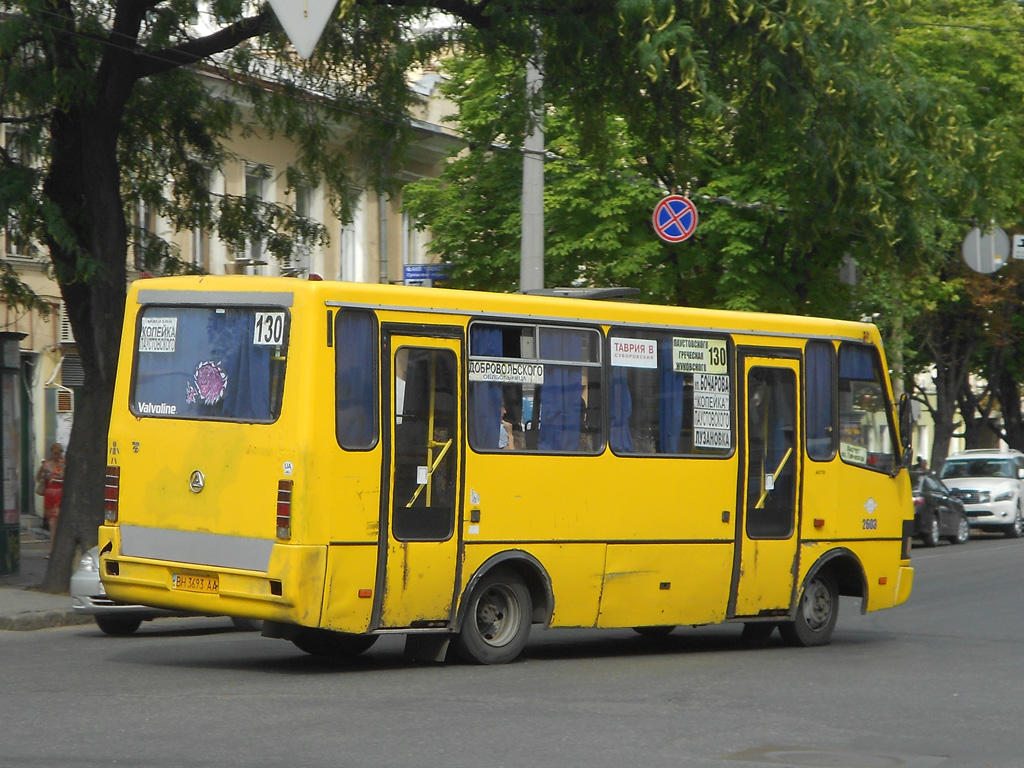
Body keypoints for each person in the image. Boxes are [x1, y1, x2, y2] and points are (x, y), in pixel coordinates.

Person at [36, 443, 65, 557]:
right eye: (55, 453)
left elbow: (67, 480)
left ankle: (52, 551)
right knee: (52, 523)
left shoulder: (63, 465)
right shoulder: (46, 465)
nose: (57, 456)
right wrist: (41, 471)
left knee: (54, 523)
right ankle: (55, 548)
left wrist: (58, 481)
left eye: (59, 453)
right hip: (48, 498)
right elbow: (39, 478)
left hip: (59, 497)